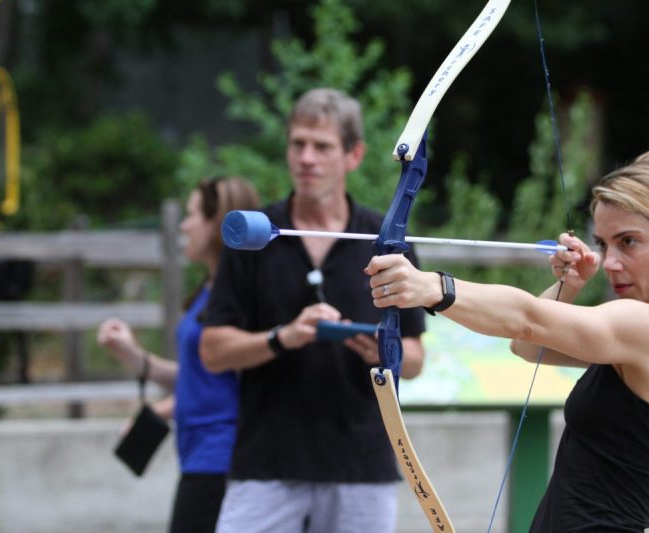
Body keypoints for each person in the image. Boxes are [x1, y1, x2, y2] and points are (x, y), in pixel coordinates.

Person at [364, 149, 649, 531]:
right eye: (604, 244)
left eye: (629, 242)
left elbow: (526, 321)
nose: (610, 263)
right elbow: (528, 347)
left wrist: (431, 287)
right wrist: (568, 285)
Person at [200, 88, 426, 533]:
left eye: (321, 146)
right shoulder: (252, 236)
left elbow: (414, 359)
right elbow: (212, 350)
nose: (306, 158)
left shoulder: (387, 241)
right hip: (266, 463)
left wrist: (379, 349)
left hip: (361, 465)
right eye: (297, 144)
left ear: (353, 155)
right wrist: (283, 337)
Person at [97, 176, 260, 533]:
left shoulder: (245, 299)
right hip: (198, 454)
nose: (185, 225)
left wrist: (160, 409)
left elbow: (243, 380)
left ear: (218, 222)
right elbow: (198, 377)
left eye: (192, 216)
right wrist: (131, 354)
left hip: (223, 457)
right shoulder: (208, 290)